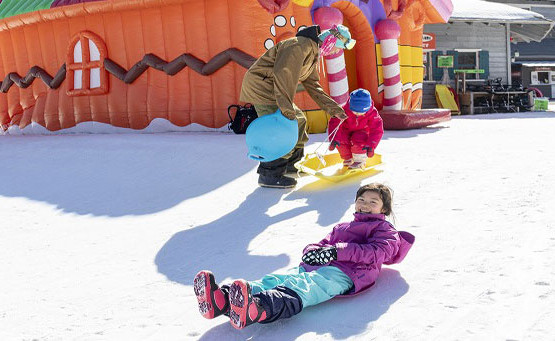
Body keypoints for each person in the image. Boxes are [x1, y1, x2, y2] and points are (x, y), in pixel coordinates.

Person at [193, 183, 414, 329]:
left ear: (384, 209)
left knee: (305, 287)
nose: (365, 204)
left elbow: (378, 252)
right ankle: (221, 300)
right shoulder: (343, 226)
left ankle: (257, 308)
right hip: (318, 266)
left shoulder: (386, 231)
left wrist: (338, 251)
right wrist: (312, 252)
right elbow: (323, 242)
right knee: (277, 279)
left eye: (372, 202)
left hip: (349, 274)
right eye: (361, 200)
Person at [240, 24, 355, 189]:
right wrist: (286, 110)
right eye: (337, 48)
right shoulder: (298, 46)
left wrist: (335, 110)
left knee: (299, 120)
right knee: (279, 127)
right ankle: (269, 174)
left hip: (274, 88)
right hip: (262, 87)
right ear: (330, 41)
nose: (336, 52)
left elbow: (314, 86)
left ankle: (291, 164)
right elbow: (283, 76)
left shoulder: (311, 53)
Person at [328, 88, 384, 169]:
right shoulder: (344, 110)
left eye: (361, 112)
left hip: (363, 131)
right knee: (341, 140)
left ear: (367, 108)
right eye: (355, 111)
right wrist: (334, 139)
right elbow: (335, 123)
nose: (357, 114)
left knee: (359, 138)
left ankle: (359, 160)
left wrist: (371, 145)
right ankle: (348, 158)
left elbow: (377, 130)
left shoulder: (372, 114)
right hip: (347, 130)